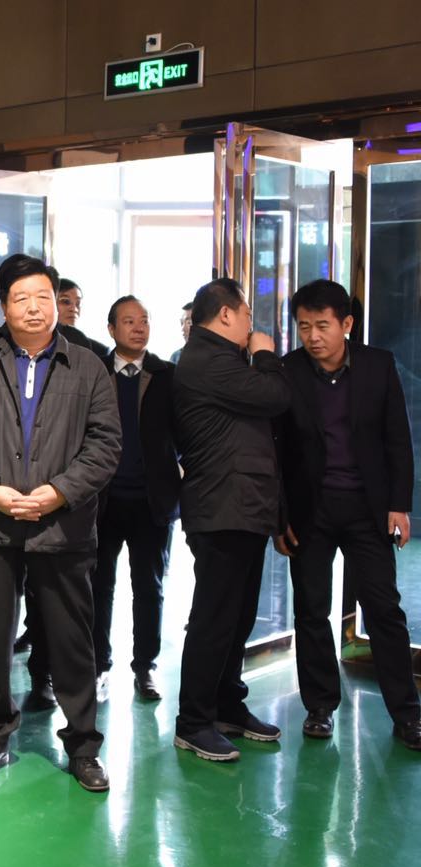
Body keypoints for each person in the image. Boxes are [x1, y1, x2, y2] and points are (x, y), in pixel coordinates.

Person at [0, 253, 120, 791]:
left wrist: (58, 492)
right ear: (4, 307)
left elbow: (105, 443)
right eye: (21, 298)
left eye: (43, 297)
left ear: (57, 303)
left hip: (63, 526)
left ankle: (84, 744)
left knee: (71, 641)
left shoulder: (88, 365)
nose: (34, 307)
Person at [274, 279, 420, 750]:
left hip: (367, 510)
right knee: (311, 609)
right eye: (303, 327)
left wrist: (399, 505)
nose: (312, 336)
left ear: (347, 324)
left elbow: (398, 438)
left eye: (322, 325)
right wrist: (280, 517)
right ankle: (319, 707)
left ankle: (407, 713)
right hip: (310, 512)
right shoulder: (288, 371)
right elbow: (277, 452)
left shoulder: (379, 366)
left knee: (384, 609)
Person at [173, 277, 290, 763]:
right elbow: (274, 396)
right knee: (214, 619)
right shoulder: (207, 360)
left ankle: (225, 706)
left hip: (242, 507)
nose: (250, 326)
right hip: (221, 508)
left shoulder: (219, 359)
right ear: (226, 314)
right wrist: (264, 354)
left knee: (237, 617)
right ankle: (193, 722)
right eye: (246, 316)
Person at [92, 296, 179, 703]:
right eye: (129, 321)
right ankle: (98, 663)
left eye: (144, 320)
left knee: (149, 587)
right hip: (102, 501)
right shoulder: (94, 372)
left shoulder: (167, 375)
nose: (138, 328)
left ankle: (146, 666)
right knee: (99, 586)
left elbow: (186, 432)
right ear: (112, 329)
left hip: (151, 502)